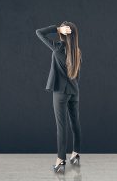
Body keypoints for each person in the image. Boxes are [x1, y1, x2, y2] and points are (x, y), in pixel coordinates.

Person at [35, 21, 82, 174]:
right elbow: (77, 76)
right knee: (75, 123)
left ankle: (60, 161)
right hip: (74, 91)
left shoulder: (58, 48)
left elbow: (39, 32)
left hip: (60, 93)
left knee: (61, 127)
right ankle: (76, 154)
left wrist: (56, 28)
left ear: (62, 33)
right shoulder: (77, 51)